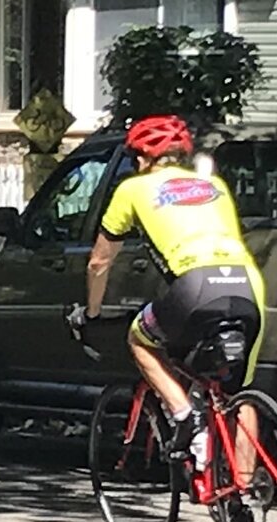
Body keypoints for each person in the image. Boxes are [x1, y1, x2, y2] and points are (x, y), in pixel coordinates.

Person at [69, 114, 264, 469]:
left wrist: (92, 314)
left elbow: (99, 262)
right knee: (239, 391)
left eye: (135, 158)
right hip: (247, 282)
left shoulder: (132, 188)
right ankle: (244, 495)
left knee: (140, 339)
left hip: (194, 285)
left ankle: (184, 414)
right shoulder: (214, 186)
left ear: (143, 158)